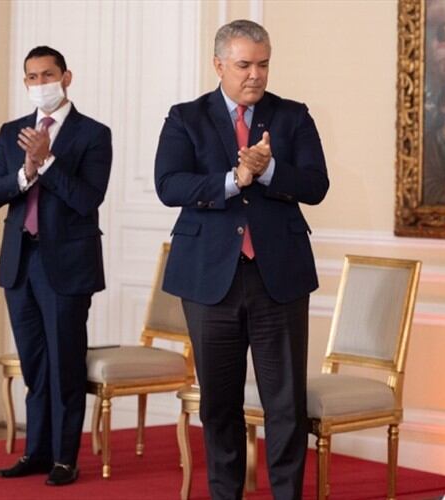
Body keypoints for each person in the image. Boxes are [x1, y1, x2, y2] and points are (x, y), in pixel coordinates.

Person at [153, 20, 328, 500]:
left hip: (280, 279)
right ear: (219, 65)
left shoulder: (292, 117)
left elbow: (316, 185)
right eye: (244, 64)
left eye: (263, 64)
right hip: (210, 280)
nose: (255, 74)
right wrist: (233, 180)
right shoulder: (185, 117)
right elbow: (169, 185)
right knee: (220, 404)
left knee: (285, 404)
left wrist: (268, 169)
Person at [0, 46, 112, 486]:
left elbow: (87, 199)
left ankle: (64, 458)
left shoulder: (93, 134)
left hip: (67, 265)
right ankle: (36, 452)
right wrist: (25, 173)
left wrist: (49, 161)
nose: (41, 83)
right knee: (35, 364)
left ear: (66, 76)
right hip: (20, 262)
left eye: (48, 75)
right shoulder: (11, 131)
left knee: (65, 364)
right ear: (25, 83)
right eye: (32, 77)